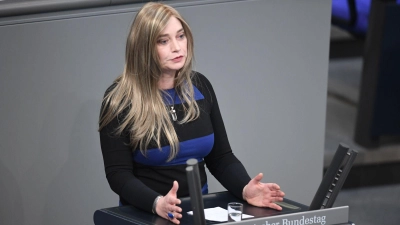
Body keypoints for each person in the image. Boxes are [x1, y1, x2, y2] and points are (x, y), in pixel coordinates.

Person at [98, 2, 285, 224]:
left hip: (197, 212)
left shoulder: (200, 85)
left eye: (181, 36)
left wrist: (245, 188)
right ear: (143, 47)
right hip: (145, 213)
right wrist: (157, 203)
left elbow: (221, 157)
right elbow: (118, 174)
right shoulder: (119, 99)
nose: (177, 47)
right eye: (163, 41)